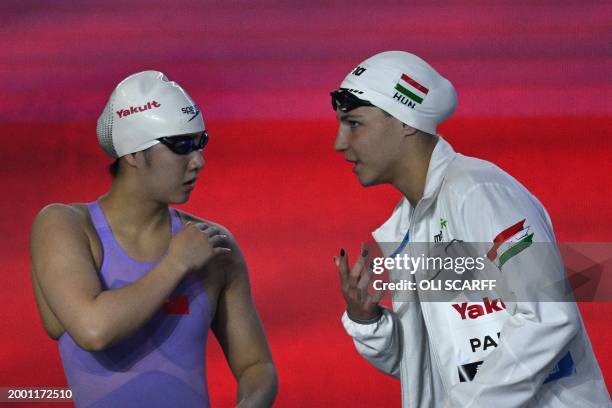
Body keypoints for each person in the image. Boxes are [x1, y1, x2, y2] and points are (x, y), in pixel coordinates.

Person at [331, 51, 610, 407]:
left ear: (406, 122)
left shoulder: (479, 192)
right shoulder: (410, 225)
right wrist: (367, 321)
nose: (339, 143)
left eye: (354, 123)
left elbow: (548, 316)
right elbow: (432, 365)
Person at [31, 71, 277, 407]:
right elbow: (94, 330)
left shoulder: (215, 247)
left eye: (200, 143)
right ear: (132, 153)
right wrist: (177, 263)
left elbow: (256, 365)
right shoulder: (65, 226)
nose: (198, 161)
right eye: (181, 146)